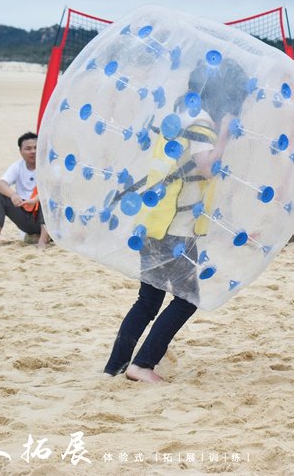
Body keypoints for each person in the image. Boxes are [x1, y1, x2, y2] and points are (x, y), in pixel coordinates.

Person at [103, 58, 248, 383]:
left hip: (154, 218)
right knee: (186, 299)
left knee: (148, 299)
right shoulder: (201, 122)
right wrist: (225, 131)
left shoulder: (180, 112)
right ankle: (142, 365)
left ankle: (115, 367)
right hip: (177, 226)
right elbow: (207, 166)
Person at [0, 132, 50, 250]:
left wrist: (35, 200)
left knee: (48, 199)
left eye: (36, 148)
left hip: (44, 216)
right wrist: (13, 195)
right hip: (24, 213)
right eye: (28, 149)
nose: (33, 152)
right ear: (20, 151)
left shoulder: (49, 167)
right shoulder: (17, 166)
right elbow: (1, 184)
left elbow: (53, 191)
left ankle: (42, 241)